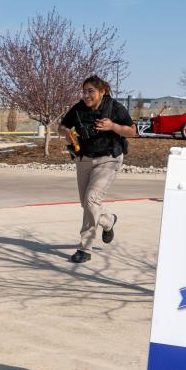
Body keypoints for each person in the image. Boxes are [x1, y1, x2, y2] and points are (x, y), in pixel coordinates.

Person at [57, 75, 136, 263]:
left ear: (102, 91)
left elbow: (132, 131)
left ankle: (85, 248)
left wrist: (113, 126)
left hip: (109, 158)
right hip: (84, 159)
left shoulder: (114, 108)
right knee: (87, 204)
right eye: (84, 91)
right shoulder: (78, 109)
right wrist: (66, 132)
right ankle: (108, 220)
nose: (86, 95)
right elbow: (61, 126)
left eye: (90, 91)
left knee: (92, 199)